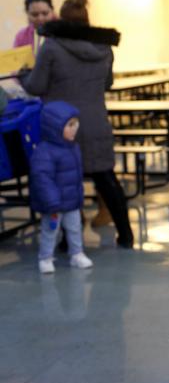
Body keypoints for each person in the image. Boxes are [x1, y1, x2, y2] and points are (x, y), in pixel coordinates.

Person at [22, 0, 135, 249]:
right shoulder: (104, 47)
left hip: (62, 125)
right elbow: (107, 82)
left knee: (63, 181)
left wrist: (25, 74)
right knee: (106, 179)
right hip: (95, 122)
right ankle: (126, 234)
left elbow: (36, 86)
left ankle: (65, 241)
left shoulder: (51, 46)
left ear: (60, 19)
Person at [30, 101, 93, 273]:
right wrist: (51, 201)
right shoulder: (44, 151)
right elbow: (42, 178)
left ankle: (77, 254)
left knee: (75, 228)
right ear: (54, 127)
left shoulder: (73, 147)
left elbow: (75, 175)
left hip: (71, 201)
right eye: (69, 125)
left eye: (76, 123)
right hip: (54, 204)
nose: (74, 128)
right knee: (50, 231)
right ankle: (45, 258)